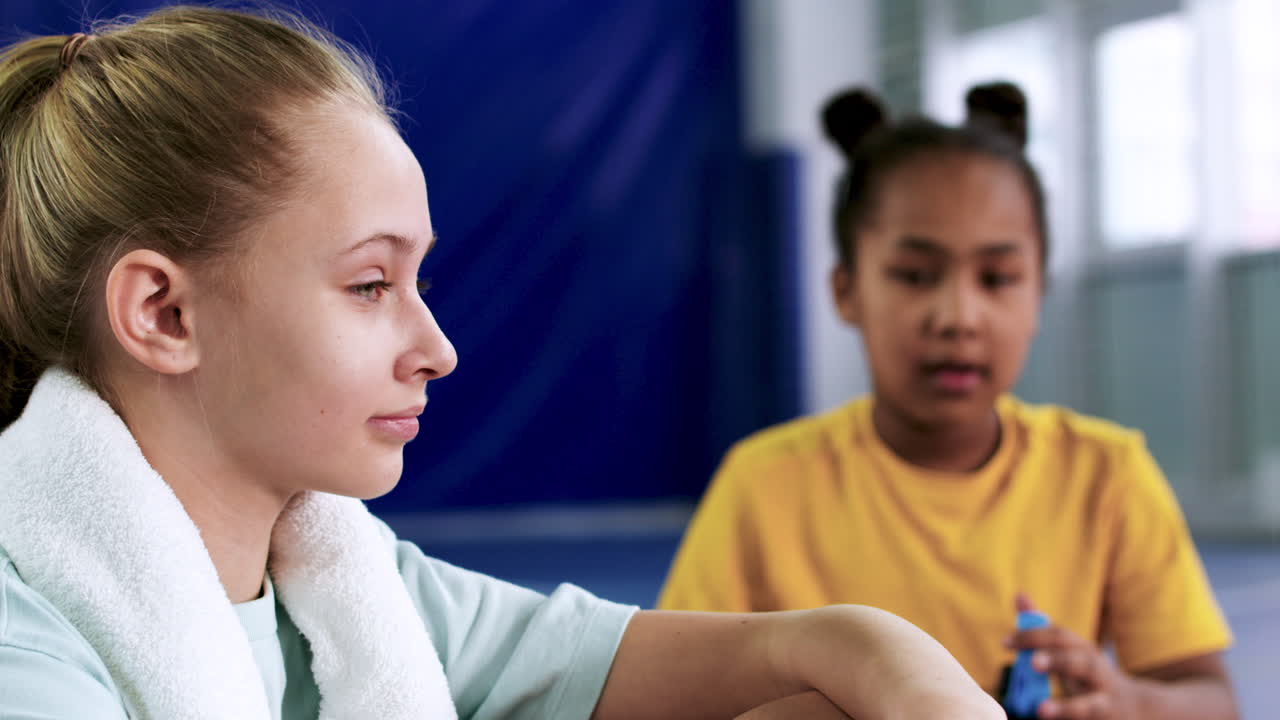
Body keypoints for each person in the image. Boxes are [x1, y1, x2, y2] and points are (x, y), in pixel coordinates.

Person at [0, 7, 1004, 720]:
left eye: (419, 283)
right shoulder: (22, 642)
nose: (435, 350)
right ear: (163, 312)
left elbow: (812, 650)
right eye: (368, 286)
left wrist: (900, 668)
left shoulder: (358, 589)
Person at [658, 85, 1240, 720]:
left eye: (996, 279)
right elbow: (671, 697)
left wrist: (1126, 700)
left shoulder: (1106, 475)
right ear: (846, 291)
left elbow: (1210, 699)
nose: (958, 317)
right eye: (914, 275)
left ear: (1037, 293)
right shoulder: (763, 484)